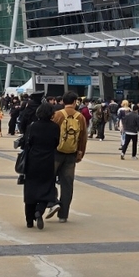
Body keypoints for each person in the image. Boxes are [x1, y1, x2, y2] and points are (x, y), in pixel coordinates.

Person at [47, 93, 88, 222]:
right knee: (67, 184)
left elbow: (50, 132)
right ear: (75, 102)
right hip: (71, 154)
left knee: (49, 179)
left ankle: (53, 202)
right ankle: (63, 215)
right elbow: (83, 137)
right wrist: (80, 152)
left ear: (63, 101)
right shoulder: (80, 117)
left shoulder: (58, 115)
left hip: (56, 153)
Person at [21, 102, 60, 229]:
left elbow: (28, 142)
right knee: (46, 188)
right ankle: (39, 210)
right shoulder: (55, 127)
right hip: (48, 160)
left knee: (30, 189)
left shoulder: (32, 126)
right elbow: (56, 143)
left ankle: (29, 220)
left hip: (33, 160)